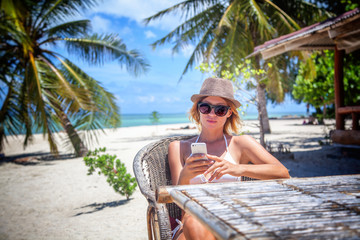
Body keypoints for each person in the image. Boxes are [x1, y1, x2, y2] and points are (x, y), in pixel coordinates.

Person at [168, 77, 290, 240]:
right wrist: (185, 175)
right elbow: (176, 202)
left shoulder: (241, 143)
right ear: (198, 109)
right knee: (194, 223)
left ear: (229, 112)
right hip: (190, 222)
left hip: (230, 219)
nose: (212, 114)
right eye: (205, 107)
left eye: (220, 110)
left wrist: (238, 168)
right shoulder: (178, 147)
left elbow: (282, 172)